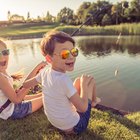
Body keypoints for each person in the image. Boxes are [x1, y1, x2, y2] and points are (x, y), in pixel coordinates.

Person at [23, 30, 101, 134]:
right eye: (65, 53)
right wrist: (84, 86)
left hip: (55, 122)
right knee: (89, 81)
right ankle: (94, 101)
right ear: (49, 59)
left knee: (77, 80)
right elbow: (82, 109)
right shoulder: (64, 80)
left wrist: (37, 68)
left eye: (73, 51)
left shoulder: (44, 72)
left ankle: (93, 101)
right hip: (75, 127)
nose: (71, 57)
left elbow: (25, 84)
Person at [0, 39, 47, 120]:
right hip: (14, 111)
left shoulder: (3, 71)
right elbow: (17, 100)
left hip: (9, 106)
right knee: (48, 97)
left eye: (5, 52)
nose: (2, 57)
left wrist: (37, 68)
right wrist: (32, 83)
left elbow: (22, 88)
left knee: (44, 94)